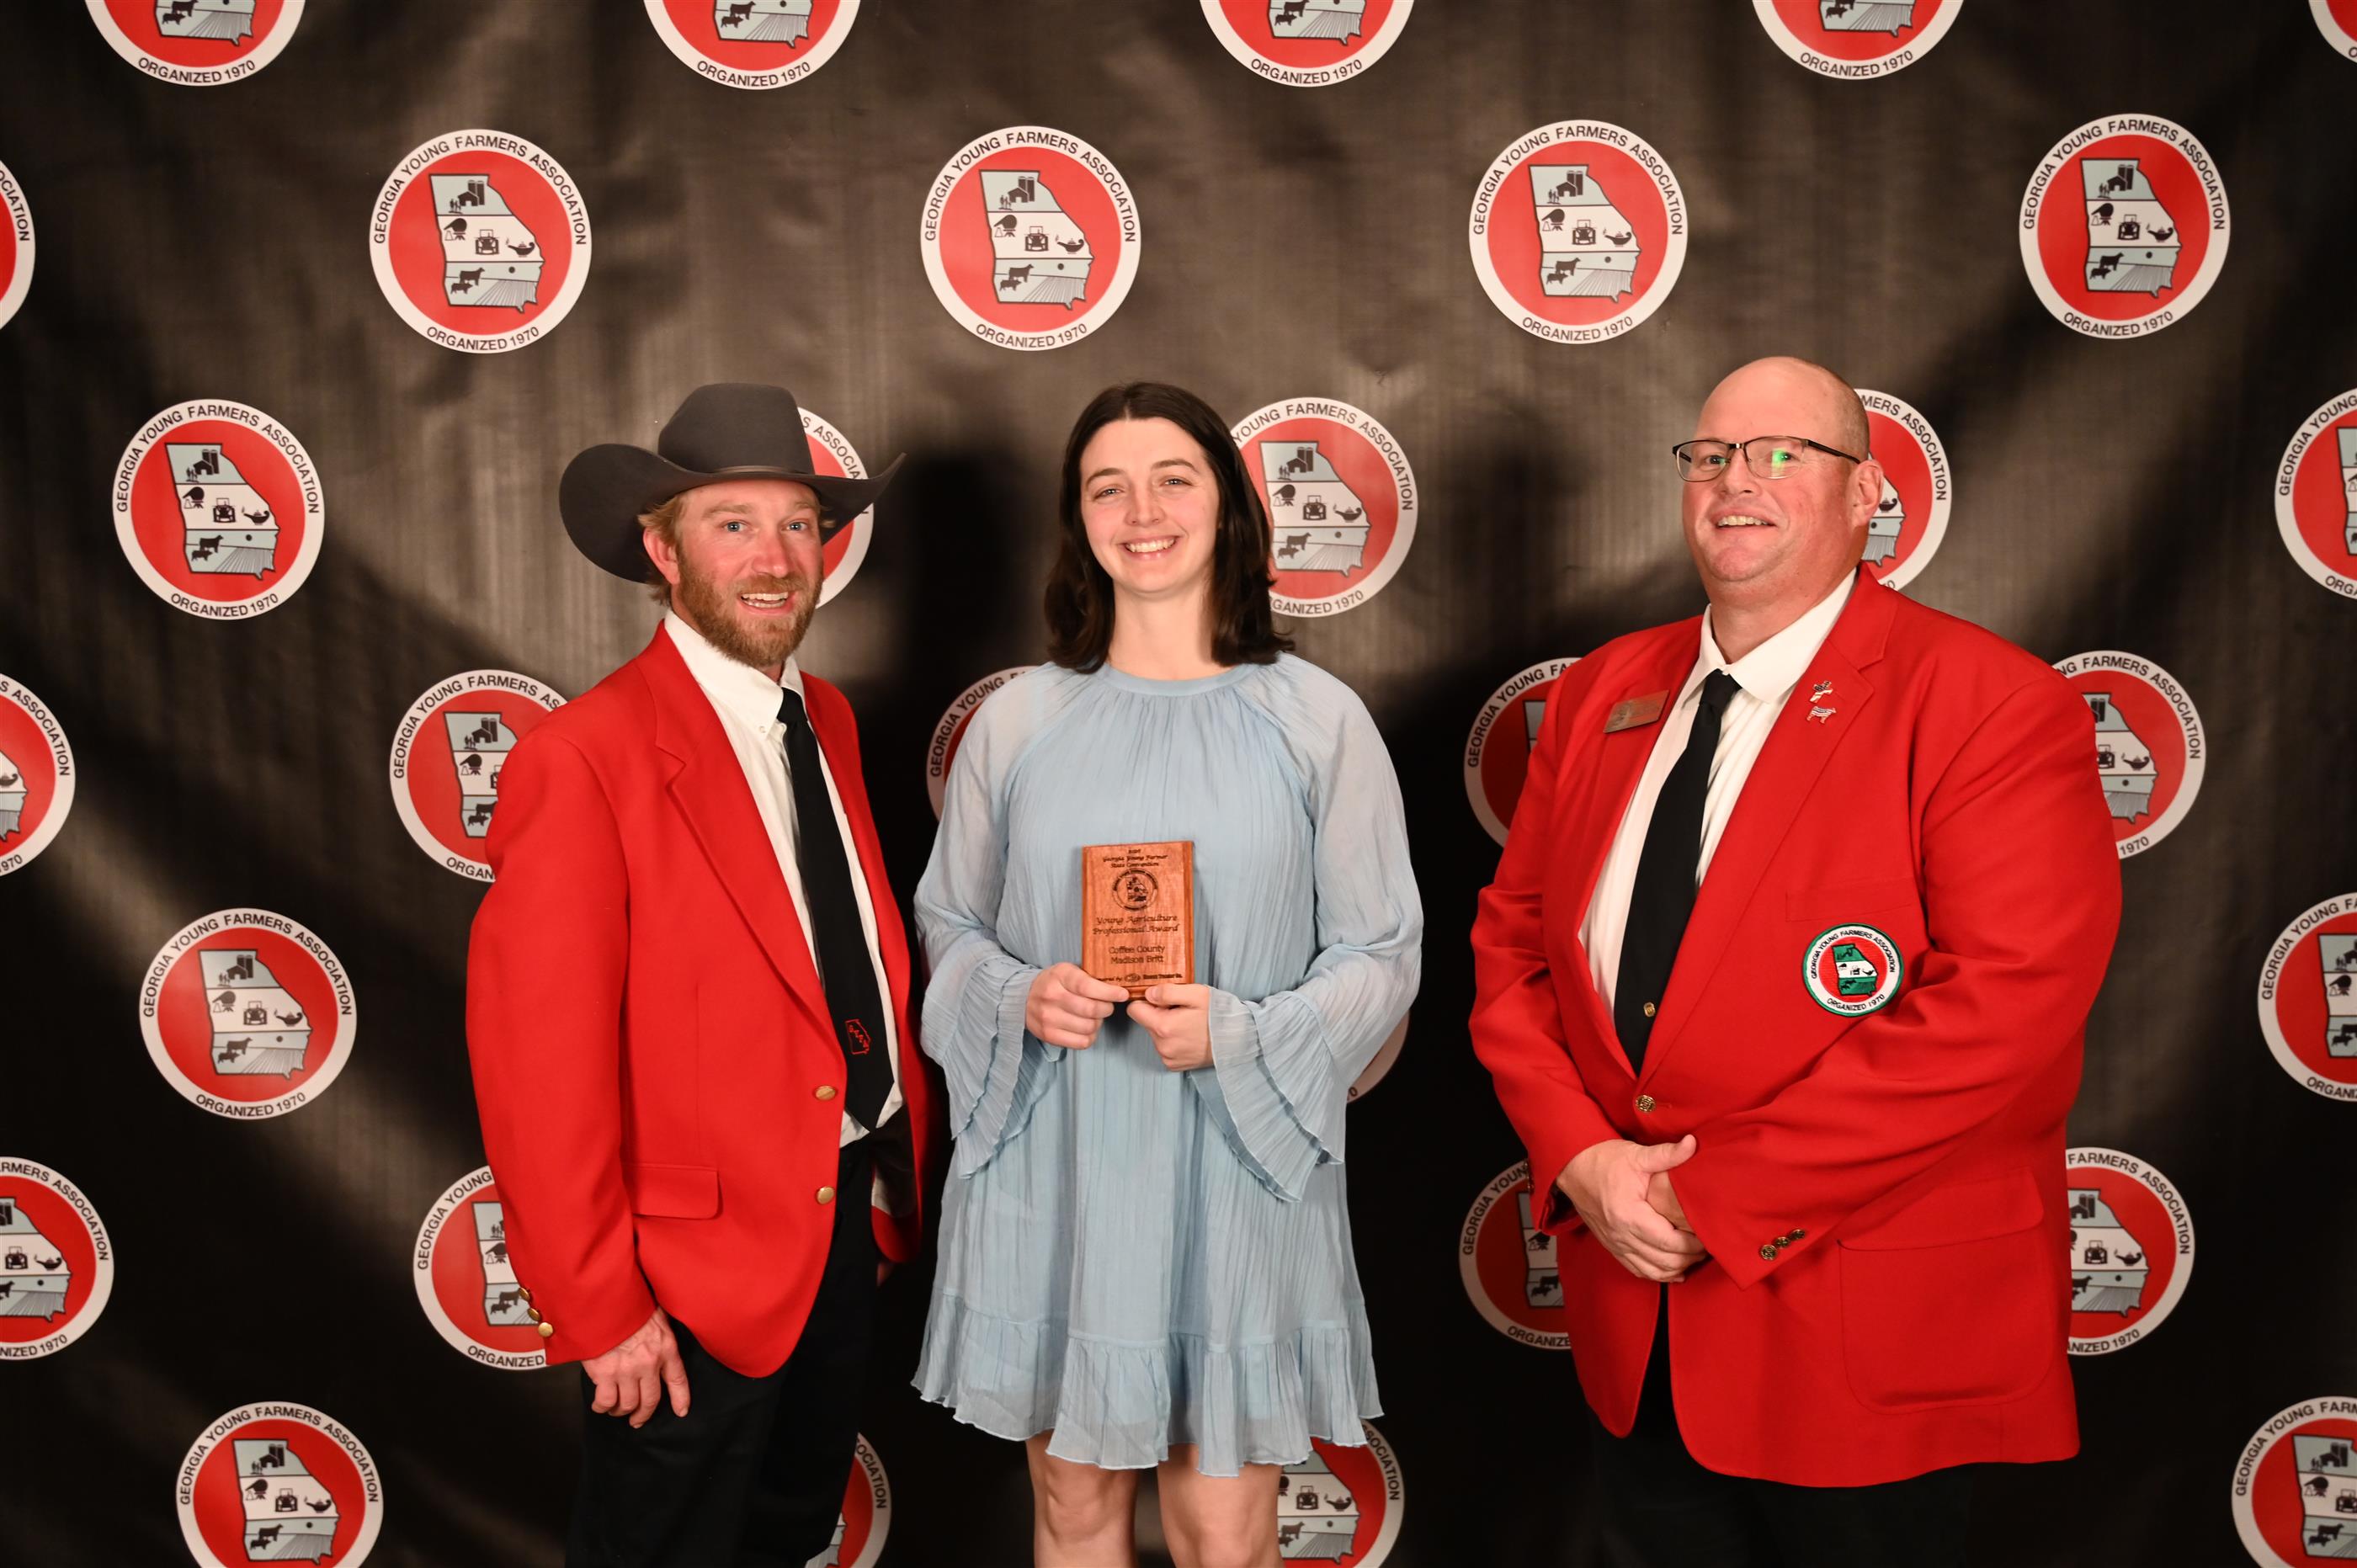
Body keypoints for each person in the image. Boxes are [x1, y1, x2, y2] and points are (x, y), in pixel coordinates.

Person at [1467, 357, 2121, 1566]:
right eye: (1711, 455)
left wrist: (1710, 1197)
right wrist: (1584, 1159)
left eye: (1783, 454)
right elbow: (1514, 950)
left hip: (1866, 1333)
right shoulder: (1606, 691)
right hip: (1640, 1322)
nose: (1737, 481)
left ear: (1867, 492)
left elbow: (2005, 1005)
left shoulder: (1989, 702)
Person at [912, 382, 1420, 1568]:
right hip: (1058, 1156)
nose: (1142, 512)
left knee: (1222, 1525)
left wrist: (1246, 1034)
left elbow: (1382, 950)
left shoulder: (1318, 719)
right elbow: (949, 925)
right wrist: (1019, 996)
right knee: (1072, 1504)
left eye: (1172, 480)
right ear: (1079, 520)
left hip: (1242, 1159)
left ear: (1228, 506)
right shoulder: (1017, 720)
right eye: (1109, 487)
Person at [466, 383, 931, 1567]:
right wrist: (602, 1307)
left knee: (788, 1538)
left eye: (797, 525)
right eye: (734, 525)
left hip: (836, 1228)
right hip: (680, 1279)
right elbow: (538, 1069)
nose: (776, 559)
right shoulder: (584, 757)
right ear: (663, 553)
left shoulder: (825, 719)